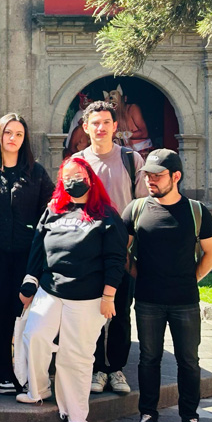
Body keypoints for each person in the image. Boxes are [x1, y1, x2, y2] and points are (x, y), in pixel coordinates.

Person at [17, 157, 127, 422]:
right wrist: (30, 282)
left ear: (89, 177)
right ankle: (38, 389)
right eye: (66, 176)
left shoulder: (106, 215)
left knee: (74, 356)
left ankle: (75, 416)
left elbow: (116, 259)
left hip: (88, 297)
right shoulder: (53, 210)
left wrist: (109, 295)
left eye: (77, 174)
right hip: (50, 289)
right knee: (35, 334)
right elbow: (37, 247)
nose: (72, 181)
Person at [123, 149, 212, 422]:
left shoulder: (196, 211)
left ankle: (190, 417)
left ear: (175, 176)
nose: (151, 180)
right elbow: (123, 252)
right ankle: (148, 415)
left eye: (158, 175)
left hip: (185, 300)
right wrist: (140, 275)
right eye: (148, 175)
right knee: (148, 359)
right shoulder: (136, 209)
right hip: (148, 299)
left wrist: (192, 277)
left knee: (188, 360)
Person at [73, 100, 149, 396]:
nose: (101, 128)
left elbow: (143, 206)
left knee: (120, 310)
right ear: (85, 127)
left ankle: (115, 368)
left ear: (115, 126)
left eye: (106, 122)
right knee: (89, 312)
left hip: (123, 251)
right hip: (87, 252)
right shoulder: (77, 163)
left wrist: (131, 242)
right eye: (95, 123)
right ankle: (94, 369)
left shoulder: (132, 160)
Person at [0, 113, 54, 394]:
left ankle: (26, 371)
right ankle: (1, 373)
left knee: (24, 313)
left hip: (27, 255)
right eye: (8, 132)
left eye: (19, 134)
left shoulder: (37, 173)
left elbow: (50, 214)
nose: (13, 138)